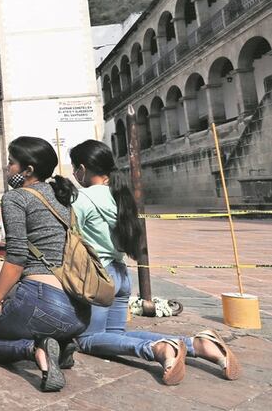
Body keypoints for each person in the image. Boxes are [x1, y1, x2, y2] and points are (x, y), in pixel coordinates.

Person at [69, 139, 240, 383]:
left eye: (75, 167)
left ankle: (158, 349)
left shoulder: (82, 198)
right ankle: (197, 345)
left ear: (82, 169)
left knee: (86, 339)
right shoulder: (121, 194)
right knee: (115, 334)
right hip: (120, 274)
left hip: (97, 276)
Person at [0, 136, 87, 392]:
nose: (8, 168)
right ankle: (60, 344)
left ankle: (36, 350)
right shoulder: (62, 197)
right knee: (30, 317)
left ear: (28, 170)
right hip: (80, 311)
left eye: (11, 162)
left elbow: (16, 257)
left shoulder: (16, 198)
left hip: (45, 300)